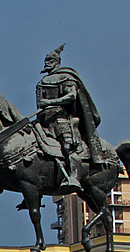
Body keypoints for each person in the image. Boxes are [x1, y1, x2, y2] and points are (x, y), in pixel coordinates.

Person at [35, 43, 102, 189]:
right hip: (43, 120)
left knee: (69, 147)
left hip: (61, 119)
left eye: (50, 60)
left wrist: (50, 102)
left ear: (57, 62)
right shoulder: (42, 82)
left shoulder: (66, 77)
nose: (46, 63)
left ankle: (74, 177)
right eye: (45, 60)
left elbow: (71, 96)